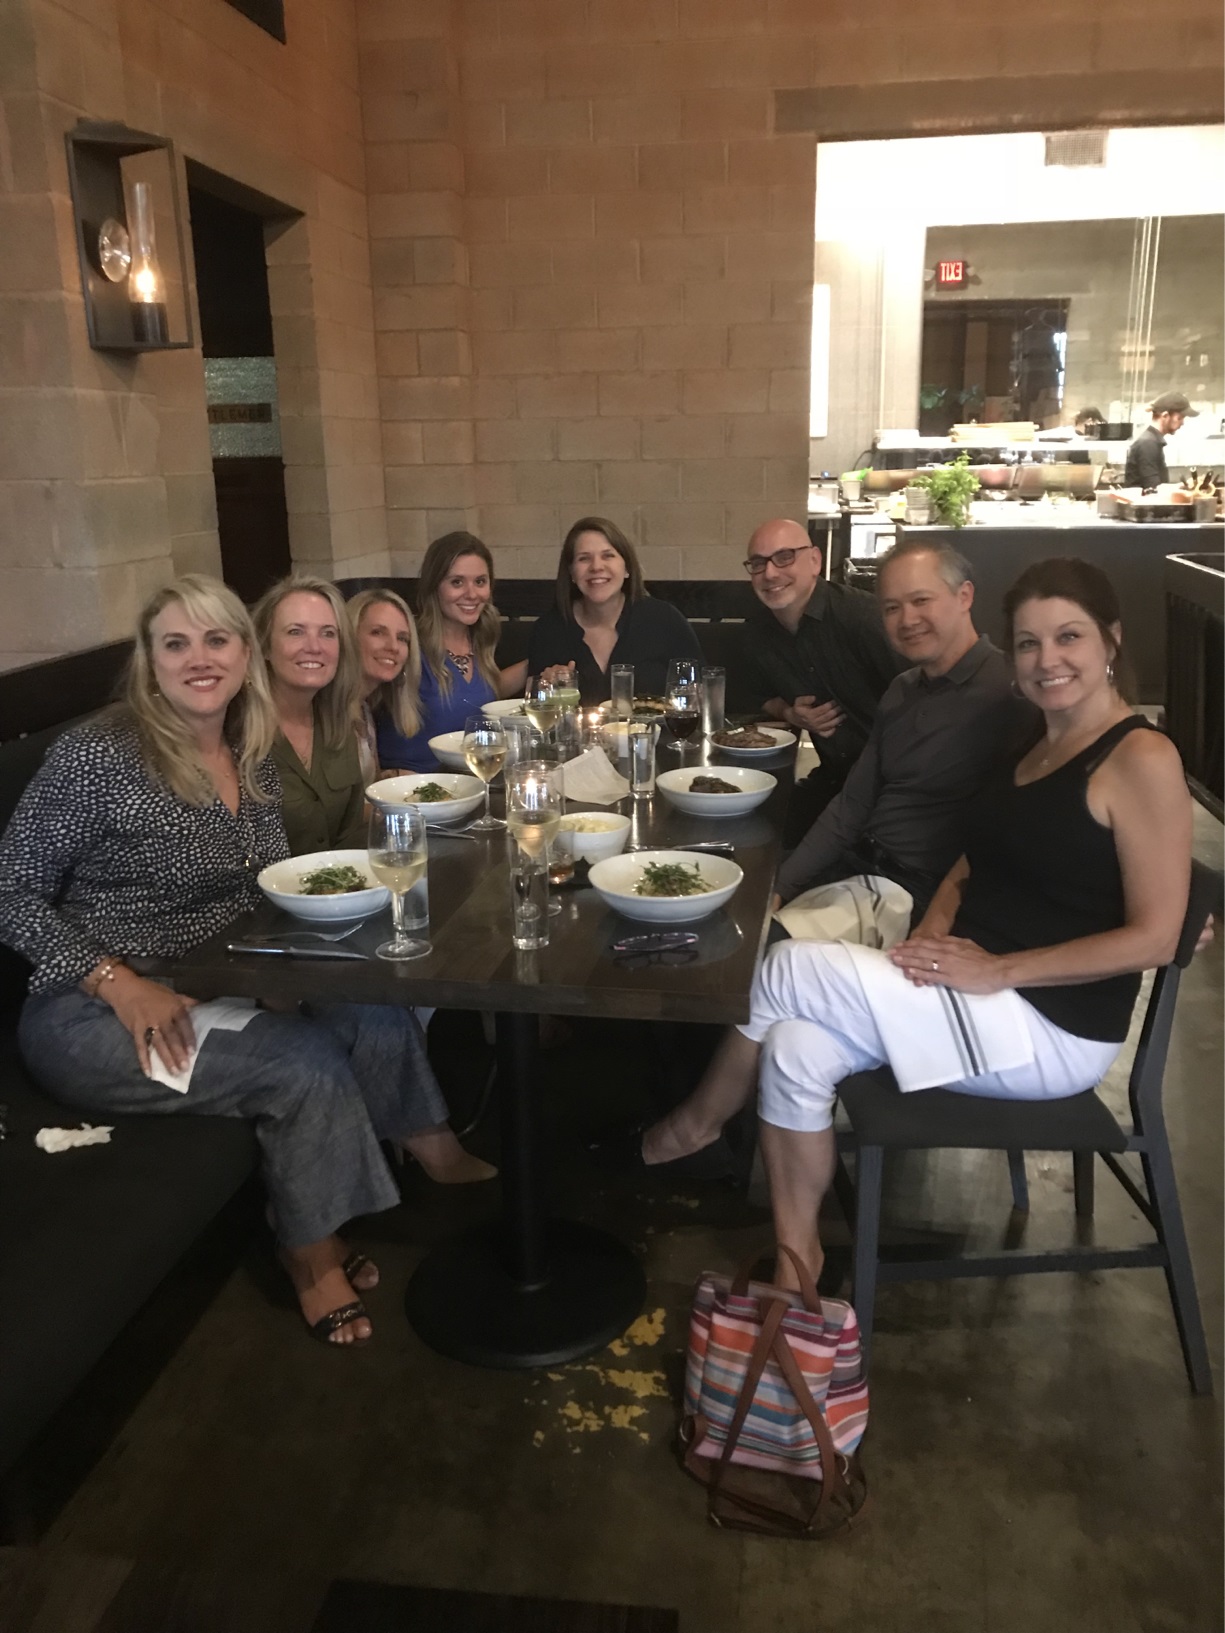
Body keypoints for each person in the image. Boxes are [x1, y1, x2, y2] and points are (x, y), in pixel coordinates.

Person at [0, 575, 494, 1348]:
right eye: (176, 642)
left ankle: (369, 1174)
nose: (199, 658)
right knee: (301, 1063)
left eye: (215, 639)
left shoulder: (249, 750)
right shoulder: (99, 754)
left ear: (241, 652)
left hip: (220, 978)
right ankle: (307, 1255)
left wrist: (280, 979)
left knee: (365, 1001)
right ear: (149, 659)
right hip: (91, 1009)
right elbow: (11, 889)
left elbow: (259, 888)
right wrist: (118, 983)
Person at [743, 558, 1192, 1290]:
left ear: (1109, 639)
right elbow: (966, 861)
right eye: (1027, 643)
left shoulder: (1139, 756)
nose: (1047, 660)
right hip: (974, 987)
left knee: (786, 966)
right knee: (794, 1046)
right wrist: (933, 929)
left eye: (1067, 637)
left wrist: (998, 969)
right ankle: (799, 1269)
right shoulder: (1036, 741)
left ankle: (703, 1121)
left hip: (1052, 1027)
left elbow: (1156, 936)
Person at [771, 537, 1036, 923]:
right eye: (892, 608)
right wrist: (780, 886)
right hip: (858, 869)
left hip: (913, 895)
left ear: (964, 596)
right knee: (735, 900)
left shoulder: (1013, 692)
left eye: (921, 601)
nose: (907, 620)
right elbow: (853, 806)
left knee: (767, 959)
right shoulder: (903, 689)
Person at [732, 518, 903, 833]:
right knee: (753, 827)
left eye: (784, 557)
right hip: (835, 781)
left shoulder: (862, 618)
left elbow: (920, 698)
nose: (770, 573)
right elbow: (750, 696)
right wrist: (789, 713)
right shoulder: (757, 632)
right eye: (758, 563)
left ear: (814, 561)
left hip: (896, 787)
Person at [377, 532, 528, 772]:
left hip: (468, 784)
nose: (471, 594)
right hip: (412, 790)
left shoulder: (480, 637)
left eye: (480, 582)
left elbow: (476, 695)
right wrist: (374, 774)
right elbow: (359, 701)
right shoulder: (408, 642)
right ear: (434, 586)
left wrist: (537, 664)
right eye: (457, 582)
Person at [526, 516, 702, 703]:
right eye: (584, 558)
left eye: (608, 555)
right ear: (571, 572)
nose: (596, 567)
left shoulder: (665, 620)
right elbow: (535, 707)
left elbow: (700, 693)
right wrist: (546, 687)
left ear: (627, 568)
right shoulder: (549, 629)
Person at [253, 575, 366, 856]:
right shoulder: (236, 732)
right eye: (295, 632)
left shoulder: (339, 725)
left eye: (328, 633)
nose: (314, 646)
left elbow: (350, 838)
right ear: (265, 646)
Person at [347, 587, 422, 783]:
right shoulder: (328, 712)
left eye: (402, 638)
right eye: (377, 632)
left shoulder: (364, 708)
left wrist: (389, 777)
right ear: (348, 637)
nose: (393, 647)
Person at [1123, 392, 1197, 490]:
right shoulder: (1148, 444)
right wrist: (1182, 487)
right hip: (1143, 505)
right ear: (1165, 415)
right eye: (1180, 418)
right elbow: (1153, 490)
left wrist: (1184, 485)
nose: (1182, 423)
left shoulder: (1152, 440)